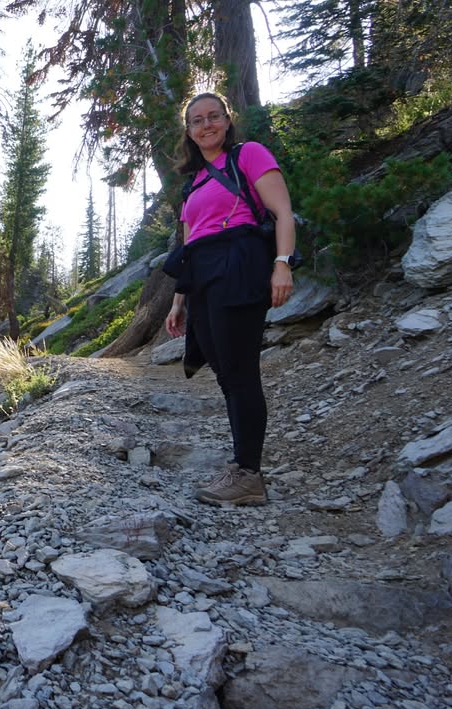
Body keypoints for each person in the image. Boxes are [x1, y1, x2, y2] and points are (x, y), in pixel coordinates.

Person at [164, 92, 297, 506]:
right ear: (188, 131)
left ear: (227, 119)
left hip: (238, 267)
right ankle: (243, 466)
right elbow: (189, 243)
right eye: (197, 120)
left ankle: (248, 474)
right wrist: (178, 300)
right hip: (202, 277)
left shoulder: (249, 155)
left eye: (213, 117)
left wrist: (282, 263)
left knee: (239, 372)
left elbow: (283, 212)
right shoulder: (195, 183)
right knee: (224, 372)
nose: (206, 125)